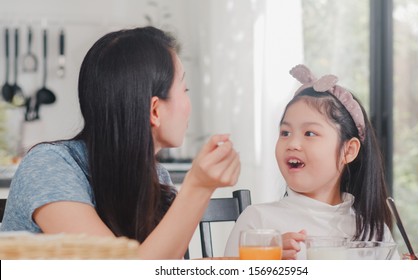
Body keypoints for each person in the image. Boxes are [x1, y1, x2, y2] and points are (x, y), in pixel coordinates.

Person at [0, 26, 241, 259]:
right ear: (155, 110)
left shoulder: (158, 178)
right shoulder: (49, 166)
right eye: (184, 89)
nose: (189, 106)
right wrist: (197, 187)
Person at [224, 64, 397, 260]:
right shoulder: (258, 224)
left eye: (310, 133)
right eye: (285, 133)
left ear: (348, 151)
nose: (293, 144)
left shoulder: (374, 232)